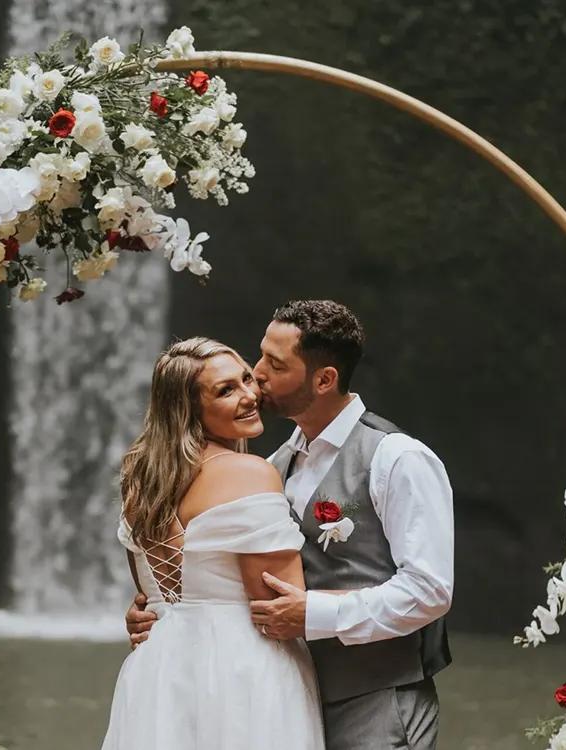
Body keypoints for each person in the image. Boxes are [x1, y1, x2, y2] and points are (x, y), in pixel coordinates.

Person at [126, 300, 454, 750]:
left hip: (374, 699)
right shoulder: (274, 464)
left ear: (323, 379)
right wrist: (165, 615)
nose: (257, 374)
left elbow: (430, 589)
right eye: (257, 357)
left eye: (273, 364)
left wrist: (313, 613)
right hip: (278, 691)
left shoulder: (398, 459)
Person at [100, 336, 325, 750]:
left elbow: (149, 597)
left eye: (245, 378)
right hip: (240, 668)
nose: (249, 395)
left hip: (156, 669)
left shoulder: (141, 481)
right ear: (189, 410)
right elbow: (276, 606)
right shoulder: (249, 472)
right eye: (226, 390)